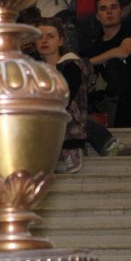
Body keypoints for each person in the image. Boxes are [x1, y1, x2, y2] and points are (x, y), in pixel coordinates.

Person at [37, 18, 92, 173]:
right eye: (40, 37)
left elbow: (65, 98)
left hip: (67, 120)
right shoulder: (32, 69)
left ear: (61, 41)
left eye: (50, 36)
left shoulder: (71, 65)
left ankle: (70, 149)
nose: (44, 41)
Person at [82, 0, 131, 127]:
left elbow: (124, 52)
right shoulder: (95, 46)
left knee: (114, 64)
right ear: (97, 16)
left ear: (121, 13)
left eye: (113, 7)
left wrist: (87, 62)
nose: (109, 12)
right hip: (118, 99)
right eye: (103, 9)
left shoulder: (129, 30)